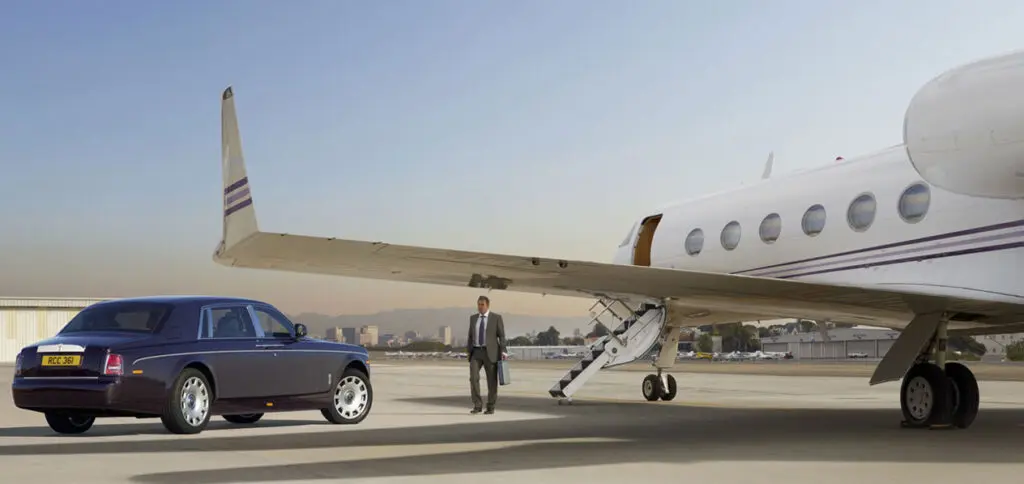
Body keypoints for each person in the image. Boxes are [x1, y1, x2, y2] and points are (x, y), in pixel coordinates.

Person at [467, 295, 507, 414]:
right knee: (473, 378)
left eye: (482, 305)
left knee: (492, 382)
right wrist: (469, 350)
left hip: (491, 353)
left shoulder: (496, 318)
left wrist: (503, 350)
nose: (480, 307)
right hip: (476, 352)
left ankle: (490, 406)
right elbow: (470, 335)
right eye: (478, 304)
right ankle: (477, 405)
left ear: (487, 305)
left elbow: (502, 336)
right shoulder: (473, 318)